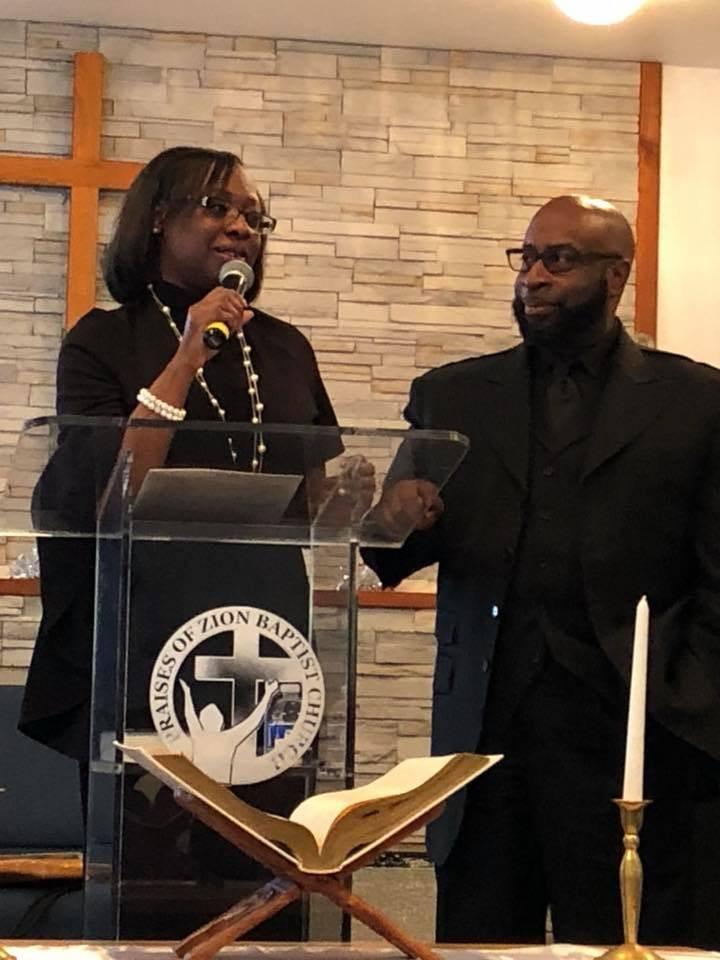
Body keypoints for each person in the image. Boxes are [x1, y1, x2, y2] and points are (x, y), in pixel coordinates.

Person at [364, 195, 720, 946]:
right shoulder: (453, 395)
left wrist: (690, 693)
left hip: (635, 737)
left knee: (626, 939)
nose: (533, 277)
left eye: (558, 260)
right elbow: (389, 549)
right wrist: (392, 517)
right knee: (481, 939)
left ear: (616, 274)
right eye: (526, 258)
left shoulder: (697, 402)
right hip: (485, 735)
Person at [19, 144, 343, 786]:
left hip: (266, 638)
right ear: (160, 218)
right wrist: (187, 356)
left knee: (265, 835)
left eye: (253, 216)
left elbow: (313, 506)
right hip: (144, 641)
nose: (241, 227)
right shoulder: (102, 341)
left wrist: (364, 506)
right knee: (151, 836)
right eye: (218, 207)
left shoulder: (285, 347)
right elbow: (113, 493)